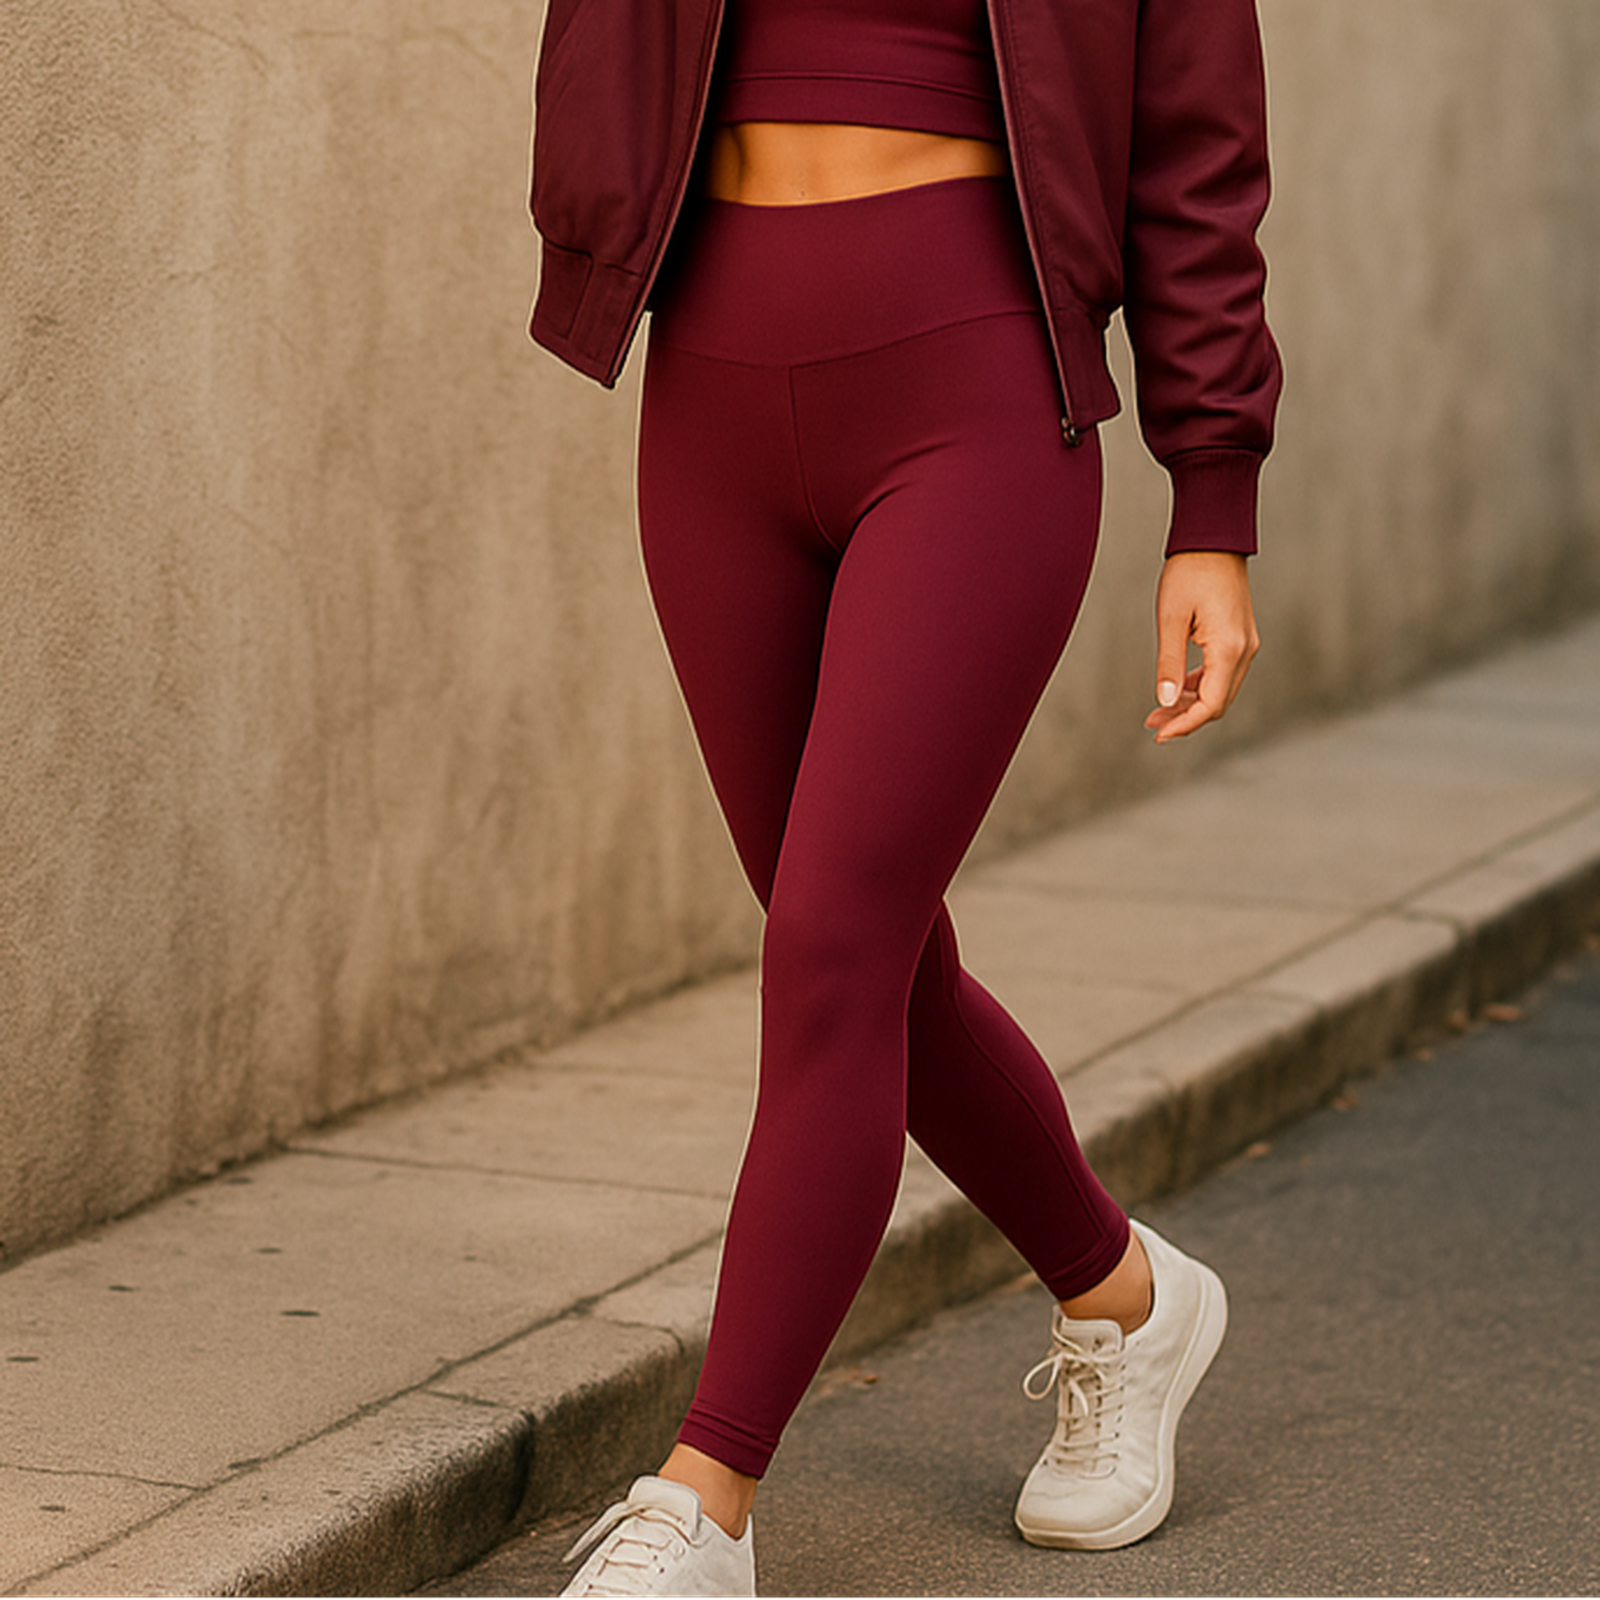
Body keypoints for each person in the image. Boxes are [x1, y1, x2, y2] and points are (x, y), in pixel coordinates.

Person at [529, 0, 1281, 1592]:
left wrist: (1211, 497)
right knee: (864, 961)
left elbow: (1197, 142)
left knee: (829, 946)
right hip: (711, 379)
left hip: (976, 390)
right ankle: (1128, 1301)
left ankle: (705, 1498)